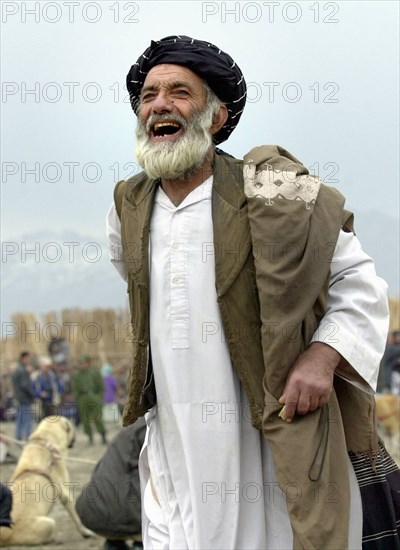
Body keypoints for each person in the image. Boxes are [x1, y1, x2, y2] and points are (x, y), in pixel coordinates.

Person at [106, 36, 399, 549]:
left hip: (264, 428)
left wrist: (322, 357)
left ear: (217, 117)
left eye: (179, 92)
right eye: (149, 95)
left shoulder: (275, 190)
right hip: (173, 429)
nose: (159, 106)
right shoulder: (127, 205)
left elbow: (360, 285)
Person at [76, 417, 146, 550]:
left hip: (91, 512)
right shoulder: (150, 429)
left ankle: (114, 544)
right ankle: (140, 543)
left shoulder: (128, 431)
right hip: (126, 515)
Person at [72, 355, 107, 445]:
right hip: (83, 398)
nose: (82, 365)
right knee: (85, 419)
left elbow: (101, 386)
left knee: (97, 417)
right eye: (81, 363)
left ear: (88, 363)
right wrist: (78, 398)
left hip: (94, 396)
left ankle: (103, 435)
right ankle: (90, 437)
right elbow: (75, 388)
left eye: (84, 363)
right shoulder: (77, 375)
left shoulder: (95, 372)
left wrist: (98, 397)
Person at [11, 351, 35, 441]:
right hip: (25, 399)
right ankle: (28, 437)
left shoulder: (18, 369)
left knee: (20, 419)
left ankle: (18, 437)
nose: (29, 360)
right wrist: (33, 393)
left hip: (20, 399)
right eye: (28, 358)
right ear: (23, 359)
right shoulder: (21, 370)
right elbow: (25, 386)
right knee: (26, 420)